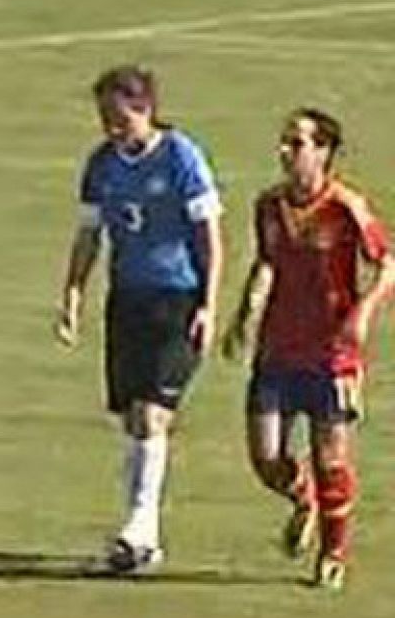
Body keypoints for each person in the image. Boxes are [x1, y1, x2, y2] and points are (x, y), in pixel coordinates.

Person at [55, 64, 223, 574]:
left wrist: (209, 305)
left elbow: (210, 237)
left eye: (117, 116)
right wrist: (73, 293)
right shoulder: (102, 165)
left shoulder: (180, 157)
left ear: (144, 109)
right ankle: (141, 539)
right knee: (132, 415)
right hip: (127, 299)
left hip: (176, 299)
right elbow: (89, 235)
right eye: (103, 117)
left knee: (153, 412)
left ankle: (140, 523)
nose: (109, 127)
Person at [221, 108, 394, 590]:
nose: (286, 151)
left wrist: (362, 313)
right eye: (285, 142)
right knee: (266, 457)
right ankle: (303, 499)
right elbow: (268, 263)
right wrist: (243, 315)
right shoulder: (269, 206)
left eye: (297, 143)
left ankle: (333, 553)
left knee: (330, 456)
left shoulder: (346, 207)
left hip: (330, 354)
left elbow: (386, 265)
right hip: (277, 349)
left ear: (323, 152)